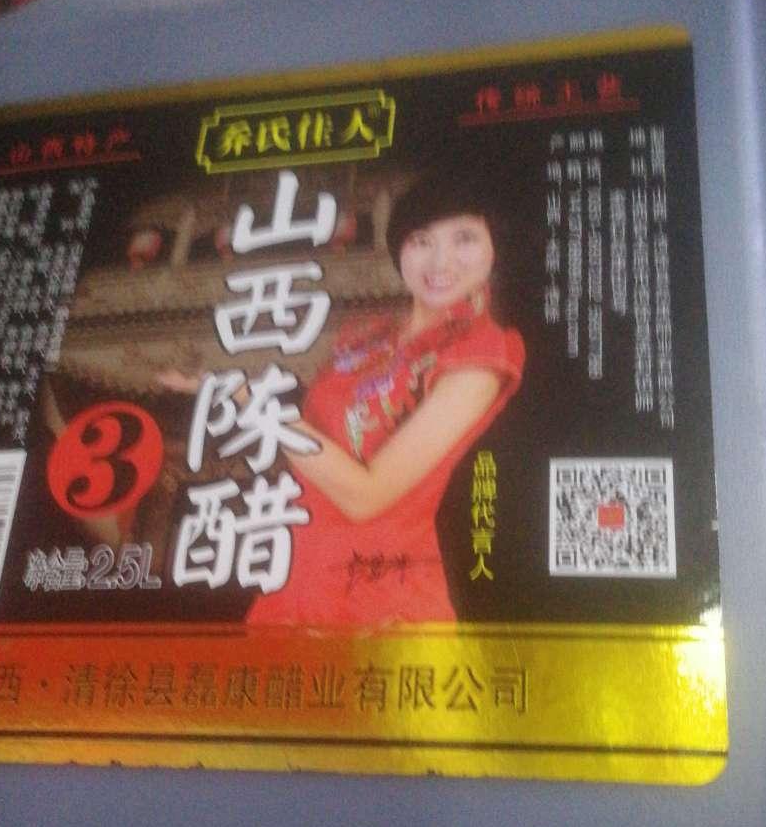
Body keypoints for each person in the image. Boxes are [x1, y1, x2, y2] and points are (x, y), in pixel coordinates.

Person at [166, 169, 525, 624]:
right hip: (296, 578)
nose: (441, 261)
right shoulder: (367, 336)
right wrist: (224, 386)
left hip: (382, 601)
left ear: (495, 247)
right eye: (421, 240)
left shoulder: (481, 353)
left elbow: (365, 496)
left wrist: (249, 398)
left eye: (464, 238)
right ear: (400, 248)